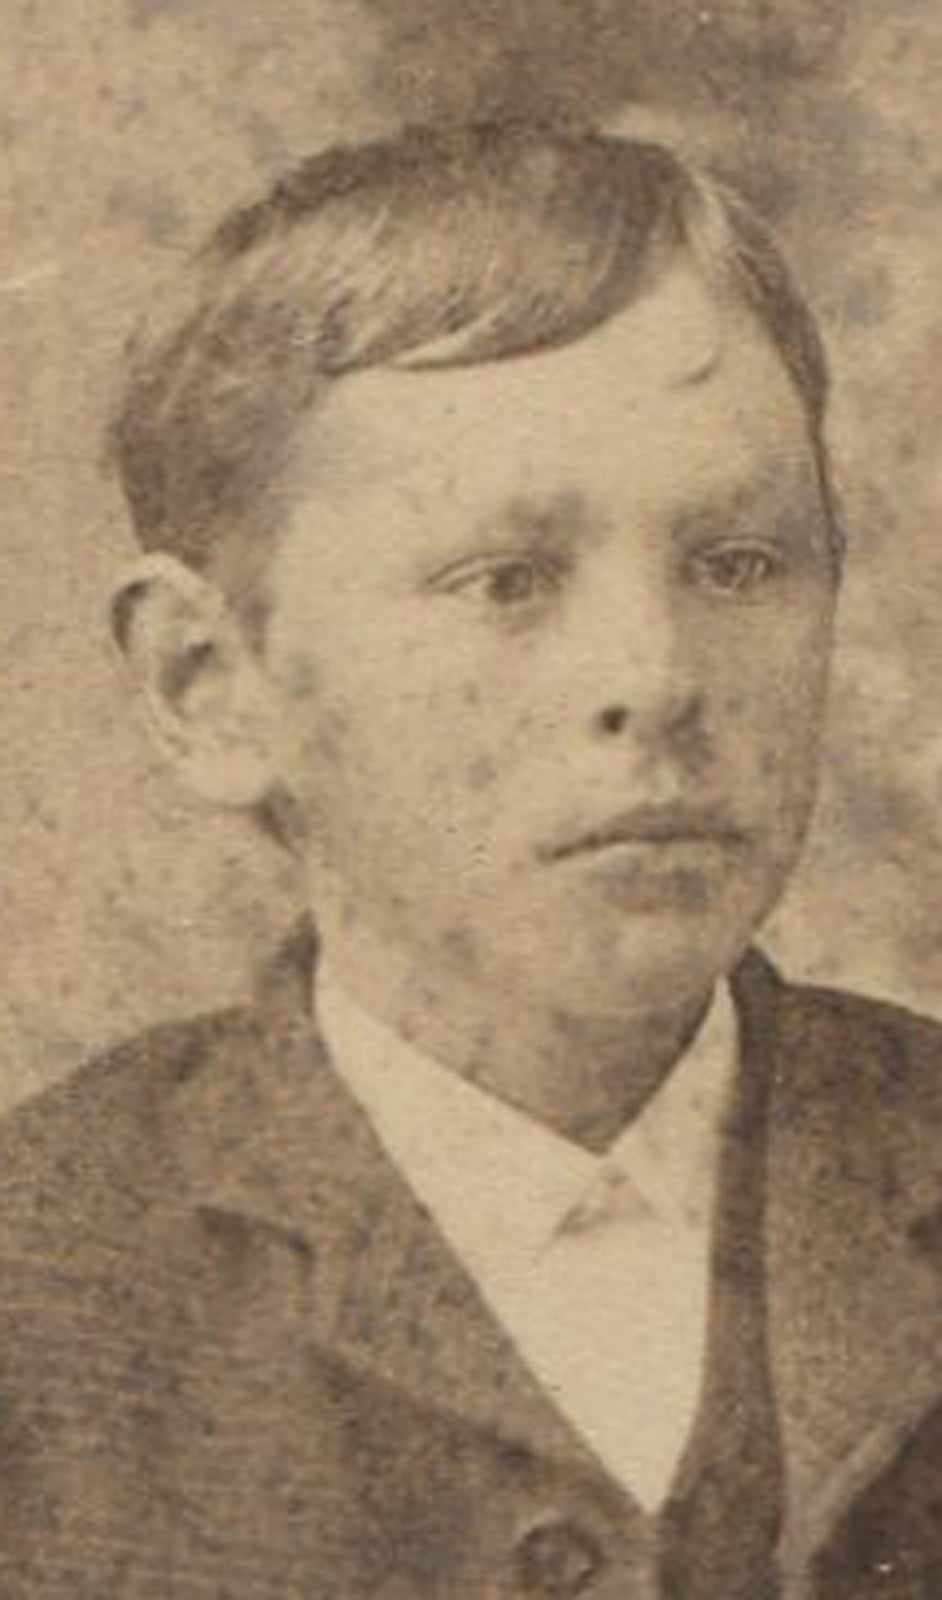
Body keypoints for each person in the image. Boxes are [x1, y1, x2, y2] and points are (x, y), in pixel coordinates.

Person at [0, 121, 939, 1600]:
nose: (655, 674)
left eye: (738, 563)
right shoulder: (41, 1290)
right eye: (505, 580)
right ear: (209, 683)